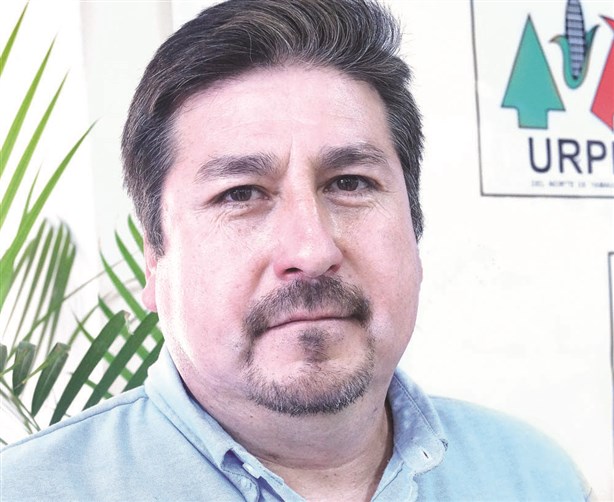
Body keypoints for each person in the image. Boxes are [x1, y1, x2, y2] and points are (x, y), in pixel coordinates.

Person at [1, 0, 591, 500]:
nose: (311, 249)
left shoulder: (535, 479)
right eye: (240, 194)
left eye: (351, 183)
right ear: (155, 261)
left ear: (414, 229)